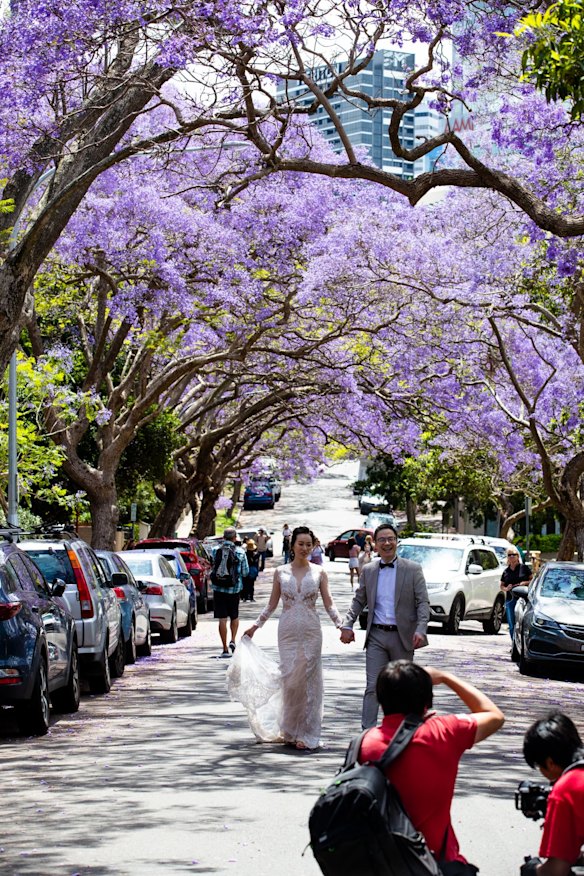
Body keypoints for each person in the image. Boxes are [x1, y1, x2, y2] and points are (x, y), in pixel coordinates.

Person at [359, 660, 504, 869]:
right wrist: (446, 677)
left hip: (380, 864)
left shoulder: (363, 744)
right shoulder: (445, 732)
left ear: (380, 702)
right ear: (427, 702)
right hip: (435, 862)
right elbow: (495, 716)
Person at [240, 526, 342, 750]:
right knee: (290, 680)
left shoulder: (319, 572)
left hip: (311, 631)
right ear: (292, 545)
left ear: (313, 546)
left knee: (307, 680)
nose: (305, 548)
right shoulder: (280, 572)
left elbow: (329, 603)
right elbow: (271, 604)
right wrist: (256, 626)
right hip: (287, 632)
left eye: (309, 544)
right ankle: (289, 729)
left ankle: (306, 731)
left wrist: (341, 625)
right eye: (301, 544)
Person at [340, 523, 430, 729]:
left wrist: (421, 629)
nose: (387, 543)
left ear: (396, 542)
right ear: (375, 544)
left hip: (403, 637)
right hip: (377, 636)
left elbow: (423, 602)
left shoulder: (413, 569)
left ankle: (404, 731)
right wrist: (348, 624)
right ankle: (368, 732)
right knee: (373, 686)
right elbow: (358, 600)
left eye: (391, 539)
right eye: (382, 540)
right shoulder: (369, 570)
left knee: (403, 687)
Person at [521, 712, 584, 876]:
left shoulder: (567, 789)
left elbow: (556, 871)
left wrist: (532, 870)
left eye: (539, 766)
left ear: (550, 762)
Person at [212, 527, 249, 657]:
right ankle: (233, 640)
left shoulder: (215, 550)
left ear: (223, 537)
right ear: (234, 538)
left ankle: (224, 648)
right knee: (234, 616)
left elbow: (213, 568)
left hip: (218, 589)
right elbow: (245, 572)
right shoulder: (240, 552)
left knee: (222, 619)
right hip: (234, 590)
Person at [501, 547, 532, 639]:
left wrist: (524, 583)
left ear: (518, 556)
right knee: (512, 623)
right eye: (509, 555)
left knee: (522, 623)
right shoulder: (506, 571)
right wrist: (506, 588)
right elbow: (502, 586)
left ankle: (523, 642)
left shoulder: (524, 568)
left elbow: (533, 580)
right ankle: (513, 643)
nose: (511, 557)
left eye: (513, 554)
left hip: (523, 599)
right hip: (510, 599)